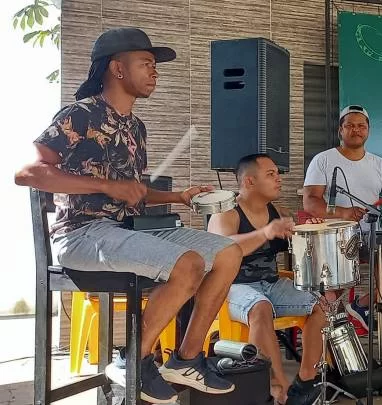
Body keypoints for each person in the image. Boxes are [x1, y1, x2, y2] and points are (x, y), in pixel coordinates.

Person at [14, 28, 239, 403]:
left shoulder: (136, 127)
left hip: (127, 231)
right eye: (146, 63)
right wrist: (104, 185)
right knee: (189, 265)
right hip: (81, 235)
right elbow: (28, 174)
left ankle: (186, 359)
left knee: (229, 253)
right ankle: (133, 359)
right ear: (118, 68)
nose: (155, 72)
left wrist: (178, 196)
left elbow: (133, 191)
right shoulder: (80, 114)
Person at [207, 154, 328, 405]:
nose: (279, 179)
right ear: (250, 181)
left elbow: (298, 238)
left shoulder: (277, 211)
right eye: (271, 174)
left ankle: (305, 382)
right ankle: (277, 386)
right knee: (261, 308)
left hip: (271, 284)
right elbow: (222, 249)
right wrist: (266, 232)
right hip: (232, 287)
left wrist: (308, 228)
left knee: (322, 305)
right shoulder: (226, 212)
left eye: (277, 173)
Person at [302, 105, 382, 331]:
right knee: (332, 290)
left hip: (372, 237)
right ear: (340, 130)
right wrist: (344, 213)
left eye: (361, 126)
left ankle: (363, 304)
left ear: (368, 130)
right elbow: (310, 201)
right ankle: (326, 338)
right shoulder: (323, 160)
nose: (356, 130)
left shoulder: (380, 164)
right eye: (349, 125)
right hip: (336, 239)